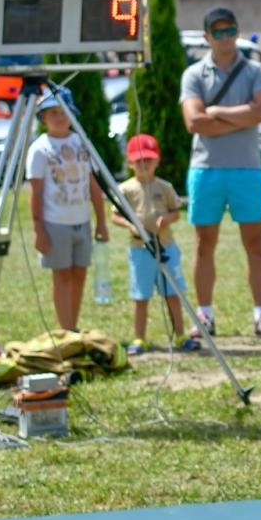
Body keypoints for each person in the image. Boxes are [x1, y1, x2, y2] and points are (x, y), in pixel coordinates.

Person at [179, 5, 261, 338]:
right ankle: (204, 315)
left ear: (237, 31)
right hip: (206, 169)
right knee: (203, 243)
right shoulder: (194, 74)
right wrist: (241, 116)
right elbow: (194, 122)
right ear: (207, 37)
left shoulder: (255, 70)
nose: (224, 38)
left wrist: (217, 113)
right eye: (217, 32)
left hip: (247, 168)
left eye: (229, 30)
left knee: (255, 244)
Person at [26, 90, 109, 334]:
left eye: (64, 112)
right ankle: (66, 328)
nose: (60, 118)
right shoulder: (40, 149)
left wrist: (101, 221)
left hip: (81, 220)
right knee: (61, 275)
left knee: (79, 273)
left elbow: (93, 184)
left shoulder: (81, 142)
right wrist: (39, 229)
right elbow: (36, 192)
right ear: (43, 117)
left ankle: (73, 323)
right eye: (53, 112)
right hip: (55, 222)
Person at [112, 133, 193, 356]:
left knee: (172, 293)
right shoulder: (125, 189)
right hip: (140, 250)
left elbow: (176, 211)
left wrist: (166, 219)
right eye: (138, 161)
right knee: (141, 295)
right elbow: (115, 216)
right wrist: (131, 226)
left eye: (148, 160)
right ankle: (140, 337)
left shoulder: (164, 187)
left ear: (157, 161)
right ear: (129, 163)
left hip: (166, 246)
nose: (144, 165)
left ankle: (180, 335)